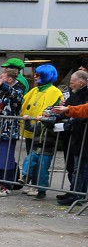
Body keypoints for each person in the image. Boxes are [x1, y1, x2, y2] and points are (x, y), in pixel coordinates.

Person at [20, 64, 64, 199]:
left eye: (38, 75)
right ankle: (30, 181)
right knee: (31, 158)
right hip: (33, 131)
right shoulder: (35, 90)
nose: (35, 76)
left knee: (42, 164)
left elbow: (54, 111)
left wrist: (43, 119)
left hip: (46, 134)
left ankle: (37, 186)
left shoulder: (55, 91)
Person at [0, 69, 24, 196]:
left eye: (2, 77)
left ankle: (7, 185)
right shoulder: (3, 91)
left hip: (9, 128)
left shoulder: (18, 88)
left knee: (6, 157)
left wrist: (2, 85)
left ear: (10, 79)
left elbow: (15, 97)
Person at [55, 70, 88, 205]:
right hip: (76, 135)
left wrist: (68, 111)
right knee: (75, 166)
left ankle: (78, 195)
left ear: (81, 82)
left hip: (84, 136)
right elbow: (67, 108)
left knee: (81, 167)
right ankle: (74, 191)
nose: (70, 85)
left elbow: (83, 110)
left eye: (72, 82)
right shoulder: (74, 95)